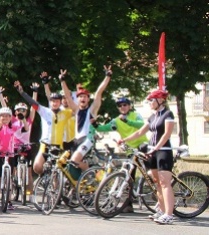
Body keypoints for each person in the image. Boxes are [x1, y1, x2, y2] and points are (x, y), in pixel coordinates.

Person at [118, 89, 176, 224]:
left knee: (165, 183)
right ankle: (161, 210)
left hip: (164, 151)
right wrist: (125, 139)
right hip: (152, 152)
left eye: (152, 100)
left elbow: (167, 134)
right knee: (157, 183)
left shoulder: (168, 114)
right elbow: (140, 132)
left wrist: (157, 147)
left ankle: (169, 214)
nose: (150, 103)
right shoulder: (152, 116)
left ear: (160, 100)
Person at [14, 76, 73, 175]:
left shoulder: (65, 112)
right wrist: (22, 92)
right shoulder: (44, 111)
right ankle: (45, 177)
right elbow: (32, 102)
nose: (54, 103)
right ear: (50, 102)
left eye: (57, 101)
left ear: (60, 102)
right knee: (37, 167)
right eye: (52, 101)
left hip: (58, 145)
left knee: (56, 172)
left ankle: (55, 187)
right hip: (45, 144)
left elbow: (74, 107)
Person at [62, 66, 112, 172]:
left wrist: (107, 76)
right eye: (80, 96)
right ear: (78, 99)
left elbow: (99, 92)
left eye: (85, 96)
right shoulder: (76, 109)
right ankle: (83, 179)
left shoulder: (92, 110)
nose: (83, 98)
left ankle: (93, 171)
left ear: (88, 99)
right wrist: (62, 80)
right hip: (76, 140)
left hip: (87, 139)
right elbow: (67, 96)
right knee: (67, 165)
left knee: (74, 160)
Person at [0, 107, 21, 211]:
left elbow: (23, 125)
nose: (4, 118)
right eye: (2, 115)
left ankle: (9, 201)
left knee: (9, 180)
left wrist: (22, 118)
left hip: (10, 155)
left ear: (11, 117)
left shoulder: (13, 127)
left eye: (7, 116)